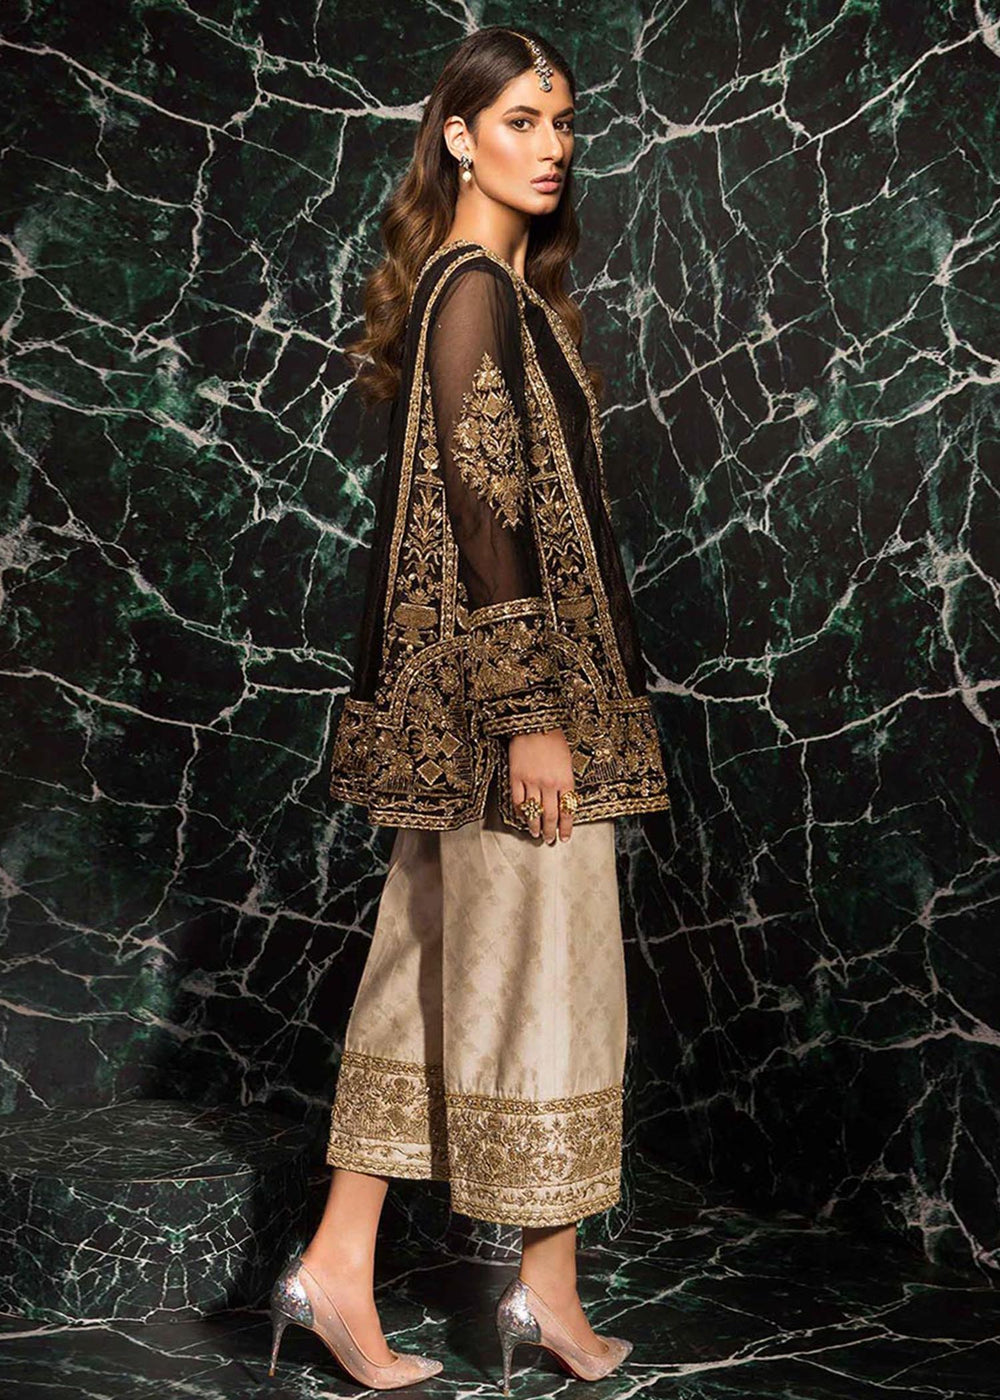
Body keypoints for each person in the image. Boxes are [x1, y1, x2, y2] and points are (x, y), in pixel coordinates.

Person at [267, 25, 670, 1393]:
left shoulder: (491, 289)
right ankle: (541, 1293)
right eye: (520, 122)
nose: (552, 149)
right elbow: (487, 509)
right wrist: (529, 713)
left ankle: (337, 1267)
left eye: (564, 123)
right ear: (457, 137)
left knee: (419, 981)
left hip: (464, 722)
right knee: (553, 979)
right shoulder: (472, 292)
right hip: (509, 720)